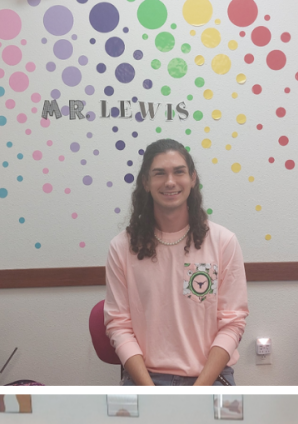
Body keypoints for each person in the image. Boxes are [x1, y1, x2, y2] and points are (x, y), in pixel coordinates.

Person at [104, 138, 249, 386]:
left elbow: (233, 323)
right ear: (145, 183)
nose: (170, 182)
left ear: (193, 179)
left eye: (179, 172)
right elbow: (118, 325)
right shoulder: (121, 247)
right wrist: (152, 393)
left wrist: (197, 392)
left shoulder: (224, 242)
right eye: (159, 174)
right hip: (145, 380)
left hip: (210, 378)